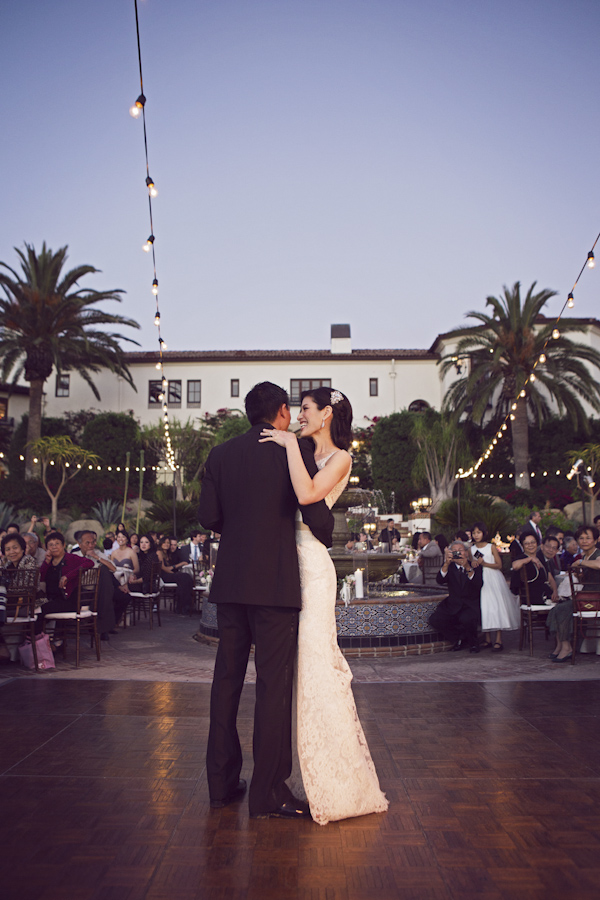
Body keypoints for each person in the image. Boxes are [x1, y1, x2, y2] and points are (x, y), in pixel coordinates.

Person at [199, 381, 335, 820]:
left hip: (231, 583)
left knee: (226, 682)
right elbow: (318, 519)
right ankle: (269, 793)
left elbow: (208, 517)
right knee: (273, 689)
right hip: (275, 585)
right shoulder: (291, 451)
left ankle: (220, 784)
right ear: (280, 411)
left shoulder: (219, 455)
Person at [259, 385, 388, 825]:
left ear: (327, 414)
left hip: (312, 565)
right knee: (290, 673)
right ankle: (294, 775)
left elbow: (310, 495)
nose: (298, 418)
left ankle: (333, 781)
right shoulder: (294, 448)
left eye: (306, 411)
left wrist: (289, 445)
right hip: (280, 561)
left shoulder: (340, 459)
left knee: (315, 666)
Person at [469, 522, 518, 651]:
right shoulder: (472, 549)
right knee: (485, 606)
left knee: (496, 607)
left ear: (484, 533)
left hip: (493, 577)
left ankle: (498, 639)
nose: (476, 535)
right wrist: (474, 564)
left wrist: (485, 563)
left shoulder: (491, 547)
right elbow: (471, 563)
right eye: (474, 533)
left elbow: (499, 564)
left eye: (478, 532)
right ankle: (487, 639)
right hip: (480, 579)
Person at [37, 532, 94, 636]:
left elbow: (90, 563)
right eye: (51, 544)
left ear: (63, 545)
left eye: (57, 543)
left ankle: (37, 640)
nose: (54, 547)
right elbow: (40, 577)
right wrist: (47, 562)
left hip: (69, 600)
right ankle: (50, 642)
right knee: (35, 609)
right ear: (47, 547)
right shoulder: (49, 561)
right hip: (52, 599)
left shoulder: (71, 558)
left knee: (41, 610)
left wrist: (68, 576)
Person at [429, 541, 483, 651]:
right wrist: (446, 563)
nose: (458, 553)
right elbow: (440, 580)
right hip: (453, 604)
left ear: (467, 553)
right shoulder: (450, 566)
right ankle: (459, 638)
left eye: (460, 550)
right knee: (435, 619)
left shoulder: (474, 565)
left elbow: (478, 584)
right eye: (454, 551)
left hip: (470, 605)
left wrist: (467, 567)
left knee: (467, 618)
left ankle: (473, 643)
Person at [157, 536, 194, 615]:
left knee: (186, 578)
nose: (167, 544)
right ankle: (184, 606)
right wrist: (174, 573)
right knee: (183, 577)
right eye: (165, 543)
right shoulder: (159, 552)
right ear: (161, 543)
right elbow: (162, 567)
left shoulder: (168, 553)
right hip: (163, 575)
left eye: (168, 543)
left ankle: (182, 606)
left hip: (169, 574)